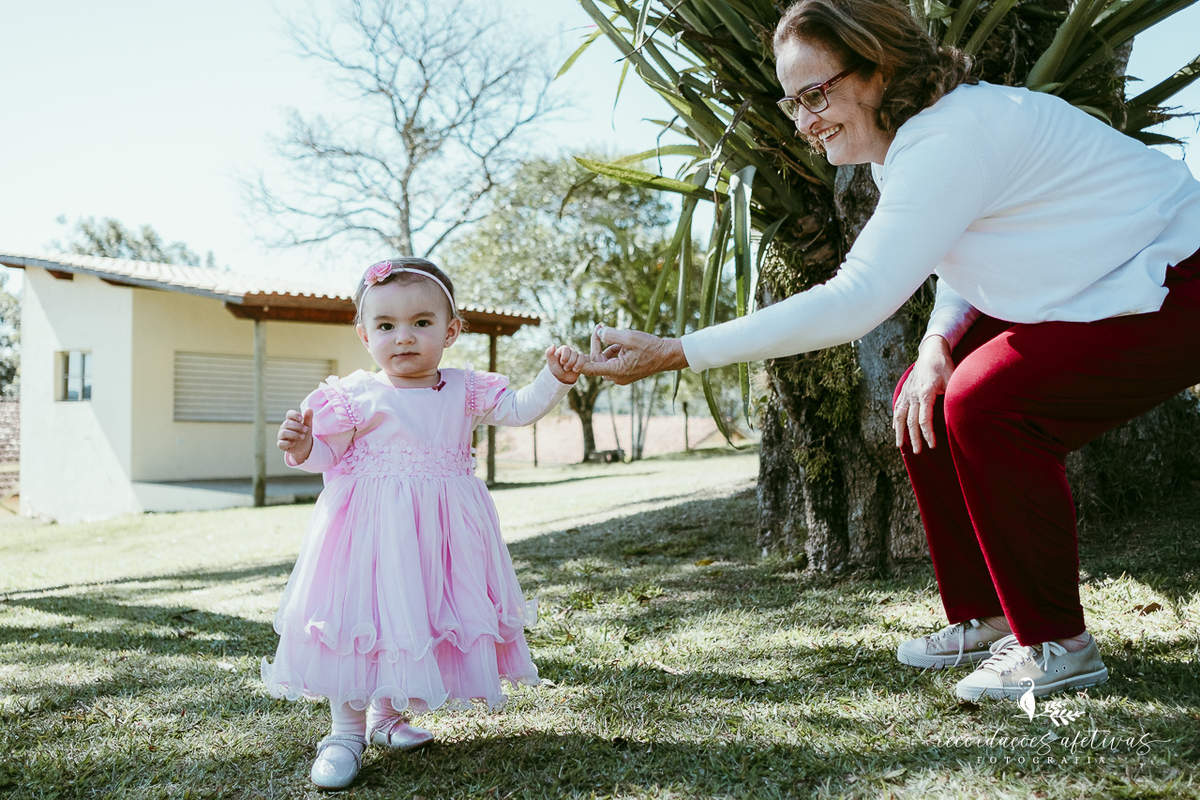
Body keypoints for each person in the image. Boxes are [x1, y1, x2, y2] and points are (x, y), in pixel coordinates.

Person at [584, 0, 1200, 705]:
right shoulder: (924, 138)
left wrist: (675, 351)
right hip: (1125, 277)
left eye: (817, 94)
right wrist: (938, 343)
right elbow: (963, 253)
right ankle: (991, 616)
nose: (806, 121)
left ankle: (1056, 643)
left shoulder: (949, 137)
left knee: (989, 404)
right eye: (793, 104)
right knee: (927, 387)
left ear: (879, 67)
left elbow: (857, 298)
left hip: (1180, 278)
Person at [262, 257, 586, 790]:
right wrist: (303, 449)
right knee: (361, 623)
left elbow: (523, 408)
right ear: (365, 335)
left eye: (421, 323)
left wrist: (555, 376)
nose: (403, 337)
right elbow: (328, 455)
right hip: (368, 537)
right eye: (387, 326)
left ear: (451, 331)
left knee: (411, 618)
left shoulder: (466, 389)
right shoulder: (355, 395)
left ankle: (387, 717)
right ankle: (345, 732)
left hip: (439, 536)